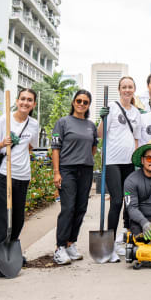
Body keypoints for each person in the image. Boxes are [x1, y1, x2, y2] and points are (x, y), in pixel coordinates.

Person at [0, 88, 40, 276]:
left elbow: (31, 145)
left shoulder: (34, 124)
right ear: (17, 101)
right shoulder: (4, 119)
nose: (25, 102)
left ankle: (9, 253)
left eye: (29, 100)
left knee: (18, 220)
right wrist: (4, 143)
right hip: (3, 175)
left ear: (33, 104)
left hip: (22, 176)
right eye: (23, 99)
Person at [97, 76, 142, 262]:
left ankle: (122, 241)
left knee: (129, 202)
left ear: (134, 90)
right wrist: (102, 118)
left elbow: (137, 139)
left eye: (130, 87)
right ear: (119, 89)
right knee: (116, 201)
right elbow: (100, 134)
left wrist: (138, 161)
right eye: (124, 87)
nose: (127, 90)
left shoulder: (137, 113)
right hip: (112, 161)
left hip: (129, 162)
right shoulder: (112, 108)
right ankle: (109, 245)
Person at [51, 90, 98, 265]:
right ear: (73, 102)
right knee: (68, 208)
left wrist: (85, 158)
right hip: (67, 169)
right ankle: (60, 247)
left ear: (88, 106)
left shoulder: (90, 125)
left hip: (85, 170)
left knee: (81, 208)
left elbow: (93, 147)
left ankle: (71, 243)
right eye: (79, 100)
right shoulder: (63, 122)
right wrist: (57, 172)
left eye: (85, 102)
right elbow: (55, 148)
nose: (81, 104)